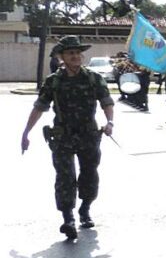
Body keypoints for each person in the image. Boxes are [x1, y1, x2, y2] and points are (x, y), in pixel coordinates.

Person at [20, 35, 115, 240]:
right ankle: (68, 218)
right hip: (62, 136)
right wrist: (26, 132)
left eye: (78, 53)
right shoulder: (53, 81)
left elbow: (106, 102)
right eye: (71, 53)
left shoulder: (93, 78)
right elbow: (40, 107)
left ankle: (85, 209)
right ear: (62, 56)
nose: (75, 56)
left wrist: (110, 122)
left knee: (89, 173)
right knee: (65, 177)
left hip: (89, 135)